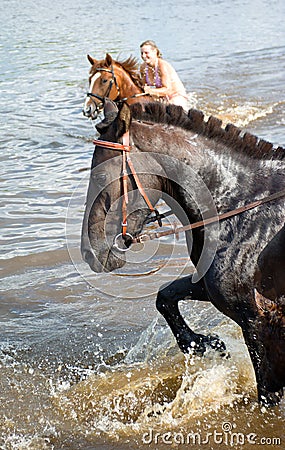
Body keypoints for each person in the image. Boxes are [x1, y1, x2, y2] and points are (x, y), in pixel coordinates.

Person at [140, 40, 188, 110]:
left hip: (175, 96)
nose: (143, 56)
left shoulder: (162, 66)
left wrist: (150, 91)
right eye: (142, 53)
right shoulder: (143, 67)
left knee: (172, 108)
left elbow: (167, 90)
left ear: (155, 52)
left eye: (146, 53)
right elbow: (144, 86)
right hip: (161, 98)